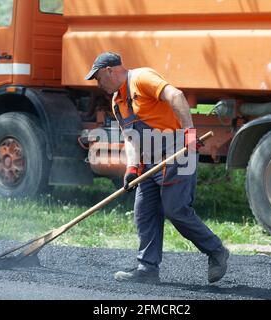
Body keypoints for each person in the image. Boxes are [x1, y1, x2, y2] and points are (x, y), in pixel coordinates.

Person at [85, 52, 229, 284]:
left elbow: (176, 96)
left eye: (98, 78)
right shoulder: (116, 102)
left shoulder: (142, 78)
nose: (98, 84)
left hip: (175, 153)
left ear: (110, 70)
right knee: (144, 213)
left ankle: (216, 251)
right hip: (148, 161)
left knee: (176, 210)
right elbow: (130, 138)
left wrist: (189, 133)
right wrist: (132, 167)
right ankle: (147, 268)